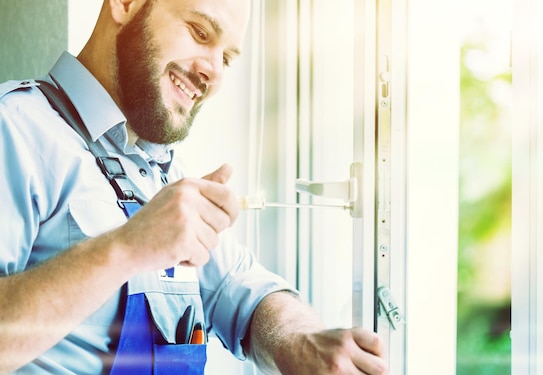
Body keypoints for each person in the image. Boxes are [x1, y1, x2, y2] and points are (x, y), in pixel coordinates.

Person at [0, 0, 388, 374]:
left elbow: (241, 291)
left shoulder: (164, 176)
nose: (214, 74)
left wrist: (301, 341)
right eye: (200, 32)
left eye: (228, 58)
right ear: (126, 3)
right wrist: (127, 248)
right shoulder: (14, 130)